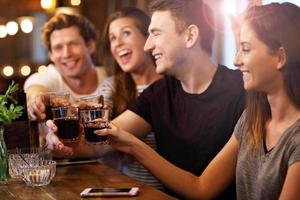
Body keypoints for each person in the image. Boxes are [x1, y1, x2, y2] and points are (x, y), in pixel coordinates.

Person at [96, 2, 300, 200]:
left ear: (280, 57)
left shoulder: (290, 134)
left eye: (245, 49)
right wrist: (132, 145)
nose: (236, 60)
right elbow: (202, 188)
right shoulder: (251, 119)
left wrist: (133, 146)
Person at [48, 0, 244, 198]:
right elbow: (95, 146)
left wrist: (134, 146)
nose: (148, 45)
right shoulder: (157, 94)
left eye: (156, 33)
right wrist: (60, 140)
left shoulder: (242, 90)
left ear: (190, 36)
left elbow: (204, 191)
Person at [46, 7, 163, 189]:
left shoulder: (170, 86)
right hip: (124, 189)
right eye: (112, 38)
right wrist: (57, 142)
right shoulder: (111, 86)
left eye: (126, 33)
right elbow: (95, 141)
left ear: (148, 37)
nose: (117, 44)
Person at [24, 13, 107, 121]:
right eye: (58, 47)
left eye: (73, 44)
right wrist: (39, 100)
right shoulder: (44, 78)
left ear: (90, 46)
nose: (66, 54)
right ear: (51, 55)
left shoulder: (110, 77)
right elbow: (35, 92)